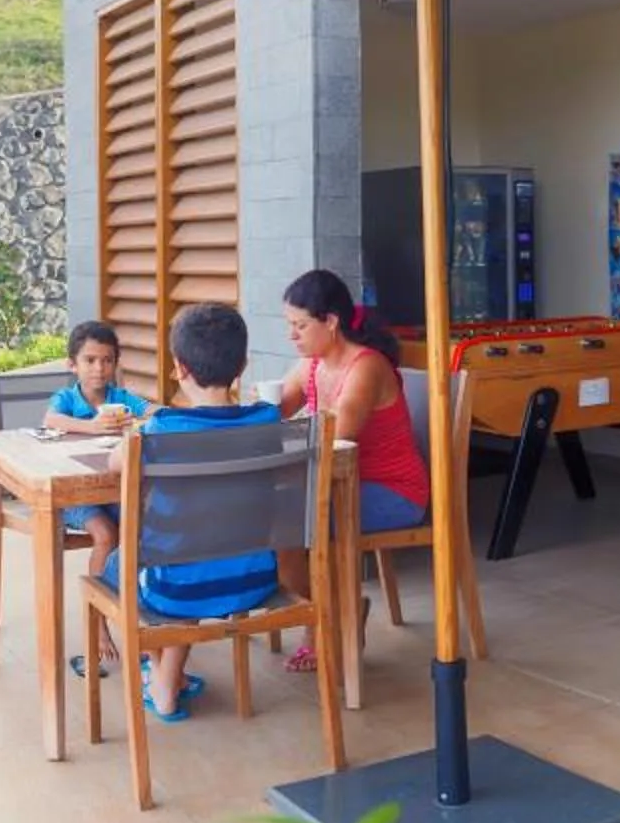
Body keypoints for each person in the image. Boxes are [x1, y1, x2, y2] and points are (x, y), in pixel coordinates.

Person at [106, 303, 287, 723]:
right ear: (242, 365)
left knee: (122, 564)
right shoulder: (268, 421)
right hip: (254, 583)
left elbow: (119, 463)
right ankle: (167, 679)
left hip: (180, 593)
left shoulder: (161, 429)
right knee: (184, 557)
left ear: (179, 368)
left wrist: (135, 433)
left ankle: (160, 677)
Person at [273, 270, 430, 673]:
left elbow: (336, 437)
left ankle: (330, 617)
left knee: (289, 526)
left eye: (300, 325)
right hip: (338, 484)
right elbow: (276, 413)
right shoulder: (311, 364)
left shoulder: (366, 367)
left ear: (331, 322)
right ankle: (339, 608)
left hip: (392, 492)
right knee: (277, 527)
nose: (293, 335)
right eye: (290, 325)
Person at [46, 320, 150, 679]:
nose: (99, 369)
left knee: (141, 527)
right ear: (72, 364)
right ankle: (99, 625)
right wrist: (92, 426)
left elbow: (154, 412)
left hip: (112, 488)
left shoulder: (121, 399)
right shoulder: (67, 399)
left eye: (106, 361)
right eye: (90, 360)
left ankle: (137, 615)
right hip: (76, 496)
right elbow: (51, 419)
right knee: (106, 534)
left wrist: (135, 419)